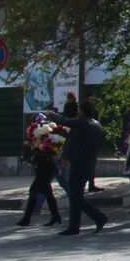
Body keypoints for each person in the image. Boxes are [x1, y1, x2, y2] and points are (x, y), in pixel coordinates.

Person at [48, 98, 108, 235]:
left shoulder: (82, 123)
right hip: (89, 162)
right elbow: (100, 145)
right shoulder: (97, 126)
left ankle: (99, 217)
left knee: (75, 196)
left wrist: (51, 114)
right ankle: (74, 226)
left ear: (82, 110)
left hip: (79, 163)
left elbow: (64, 121)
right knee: (76, 195)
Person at [17, 115, 62, 228]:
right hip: (44, 167)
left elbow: (46, 152)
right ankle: (55, 216)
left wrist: (36, 151)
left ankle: (26, 219)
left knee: (34, 191)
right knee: (48, 193)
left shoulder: (47, 138)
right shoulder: (42, 138)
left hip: (46, 168)